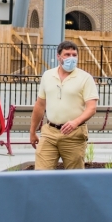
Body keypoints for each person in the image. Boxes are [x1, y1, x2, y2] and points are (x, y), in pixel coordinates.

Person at [30, 41, 99, 170]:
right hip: (49, 132)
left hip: (74, 134)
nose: (71, 58)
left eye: (74, 55)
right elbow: (40, 104)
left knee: (74, 177)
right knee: (40, 174)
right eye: (67, 54)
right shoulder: (47, 75)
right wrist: (32, 131)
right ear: (58, 56)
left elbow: (92, 107)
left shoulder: (85, 78)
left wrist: (75, 122)